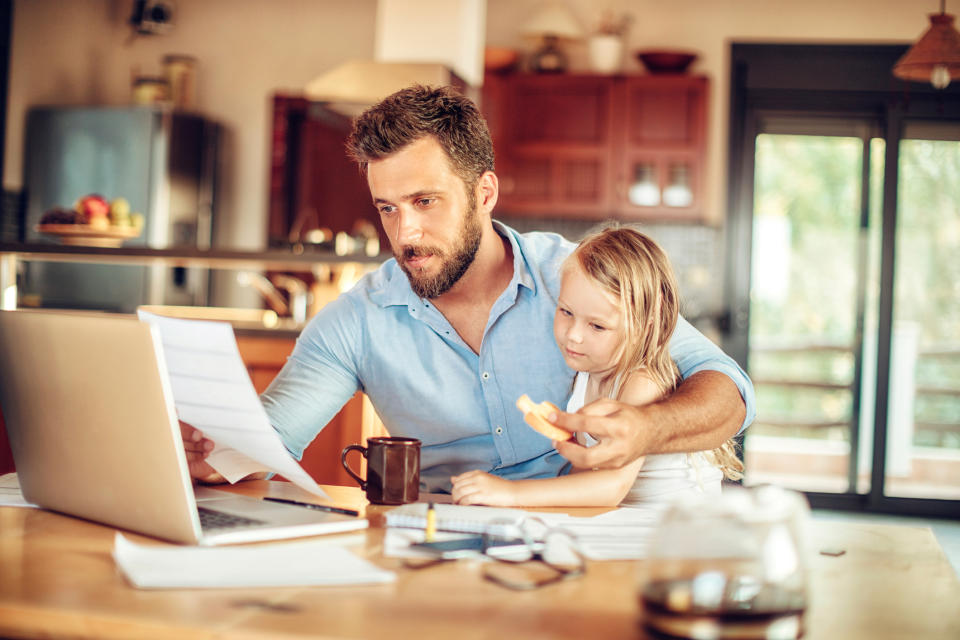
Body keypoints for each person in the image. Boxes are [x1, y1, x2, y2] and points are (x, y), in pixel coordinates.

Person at [181, 85, 755, 492]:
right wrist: (212, 454)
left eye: (425, 202)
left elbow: (730, 390)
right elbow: (268, 440)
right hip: (439, 542)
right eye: (388, 208)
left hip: (584, 535)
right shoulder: (356, 320)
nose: (405, 233)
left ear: (484, 193)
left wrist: (647, 429)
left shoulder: (576, 275)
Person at [450, 226, 743, 507]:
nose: (573, 335)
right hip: (628, 524)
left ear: (643, 326)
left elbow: (611, 488)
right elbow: (585, 477)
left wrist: (511, 493)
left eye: (598, 326)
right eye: (566, 311)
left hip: (676, 531)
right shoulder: (585, 374)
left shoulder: (641, 382)